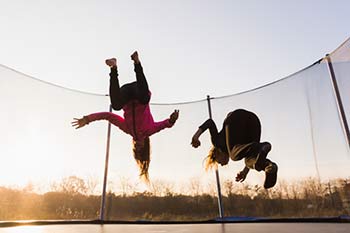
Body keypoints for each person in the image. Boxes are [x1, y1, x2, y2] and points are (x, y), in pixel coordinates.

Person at [72, 51, 179, 182]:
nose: (137, 146)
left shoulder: (127, 129)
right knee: (145, 98)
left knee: (116, 106)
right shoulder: (150, 130)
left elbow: (108, 116)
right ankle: (137, 63)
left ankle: (113, 68)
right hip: (139, 92)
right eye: (141, 148)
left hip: (127, 94)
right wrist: (172, 120)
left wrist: (87, 119)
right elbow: (165, 124)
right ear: (145, 145)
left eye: (136, 149)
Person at [191, 109, 277, 189]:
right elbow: (249, 155)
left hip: (236, 118)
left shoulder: (217, 142)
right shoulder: (236, 148)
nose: (222, 164)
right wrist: (244, 172)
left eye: (219, 162)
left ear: (216, 154)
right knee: (250, 159)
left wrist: (196, 136)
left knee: (234, 156)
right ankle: (269, 167)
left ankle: (261, 147)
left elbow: (210, 122)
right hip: (253, 122)